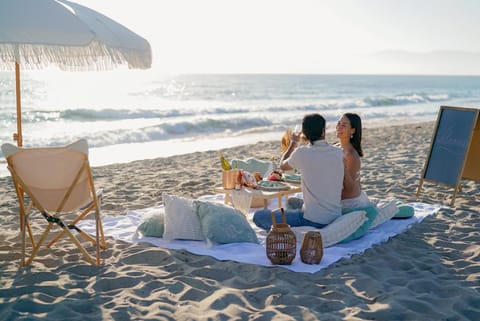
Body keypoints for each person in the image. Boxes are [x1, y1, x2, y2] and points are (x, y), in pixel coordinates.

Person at [253, 113, 344, 230]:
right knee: (292, 202)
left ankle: (284, 230)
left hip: (312, 220)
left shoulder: (302, 153)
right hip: (334, 216)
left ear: (304, 133)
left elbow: (283, 165)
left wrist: (293, 143)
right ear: (323, 131)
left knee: (259, 216)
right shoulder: (339, 153)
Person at [336, 113, 371, 208]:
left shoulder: (350, 155)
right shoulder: (336, 148)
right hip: (338, 197)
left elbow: (350, 189)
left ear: (352, 130)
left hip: (350, 202)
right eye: (339, 123)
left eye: (343, 125)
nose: (338, 127)